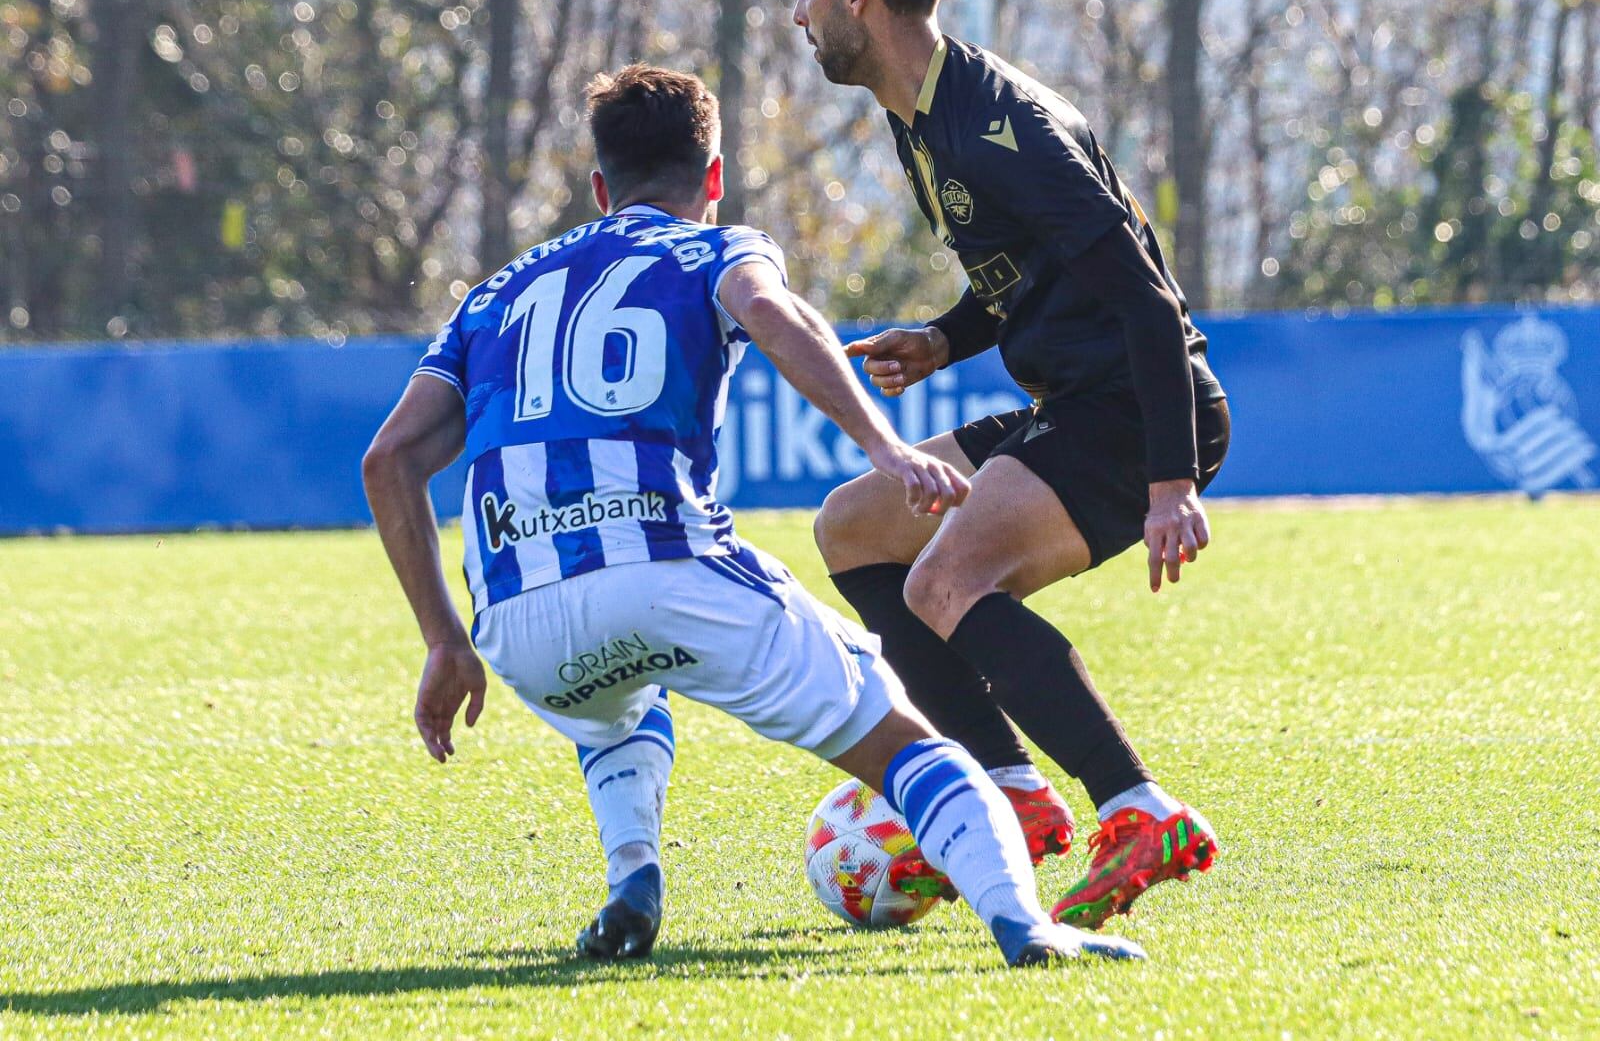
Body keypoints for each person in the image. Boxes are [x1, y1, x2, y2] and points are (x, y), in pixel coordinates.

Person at [361, 64, 1144, 966]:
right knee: (915, 748)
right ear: (715, 175)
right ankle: (1025, 923)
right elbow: (772, 315)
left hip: (517, 620)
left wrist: (443, 641)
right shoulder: (715, 247)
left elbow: (390, 460)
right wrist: (887, 450)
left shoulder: (492, 294)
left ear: (600, 186)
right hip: (667, 569)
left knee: (613, 710)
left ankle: (633, 884)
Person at [791, 0, 1230, 930]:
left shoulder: (1002, 127)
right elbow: (1029, 273)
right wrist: (946, 337)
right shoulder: (925, 119)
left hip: (1132, 407)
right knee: (854, 525)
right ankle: (1014, 793)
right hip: (1074, 399)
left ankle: (1135, 806)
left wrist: (1171, 480)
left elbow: (1145, 298)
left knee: (948, 577)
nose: (796, 13)